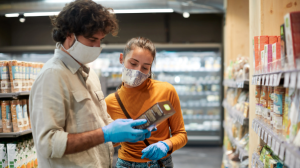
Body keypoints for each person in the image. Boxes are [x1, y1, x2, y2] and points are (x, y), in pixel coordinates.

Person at [29, 1, 151, 168]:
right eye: (92, 39)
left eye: (100, 40)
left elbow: (98, 128)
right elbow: (48, 144)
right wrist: (105, 134)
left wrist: (123, 132)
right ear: (69, 35)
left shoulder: (89, 74)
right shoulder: (53, 75)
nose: (97, 47)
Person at [105, 37, 188, 168]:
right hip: (125, 164)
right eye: (133, 64)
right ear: (122, 59)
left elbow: (181, 134)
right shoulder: (110, 102)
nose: (138, 71)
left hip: (161, 163)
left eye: (145, 67)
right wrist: (117, 136)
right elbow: (110, 143)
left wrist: (166, 145)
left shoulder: (166, 91)